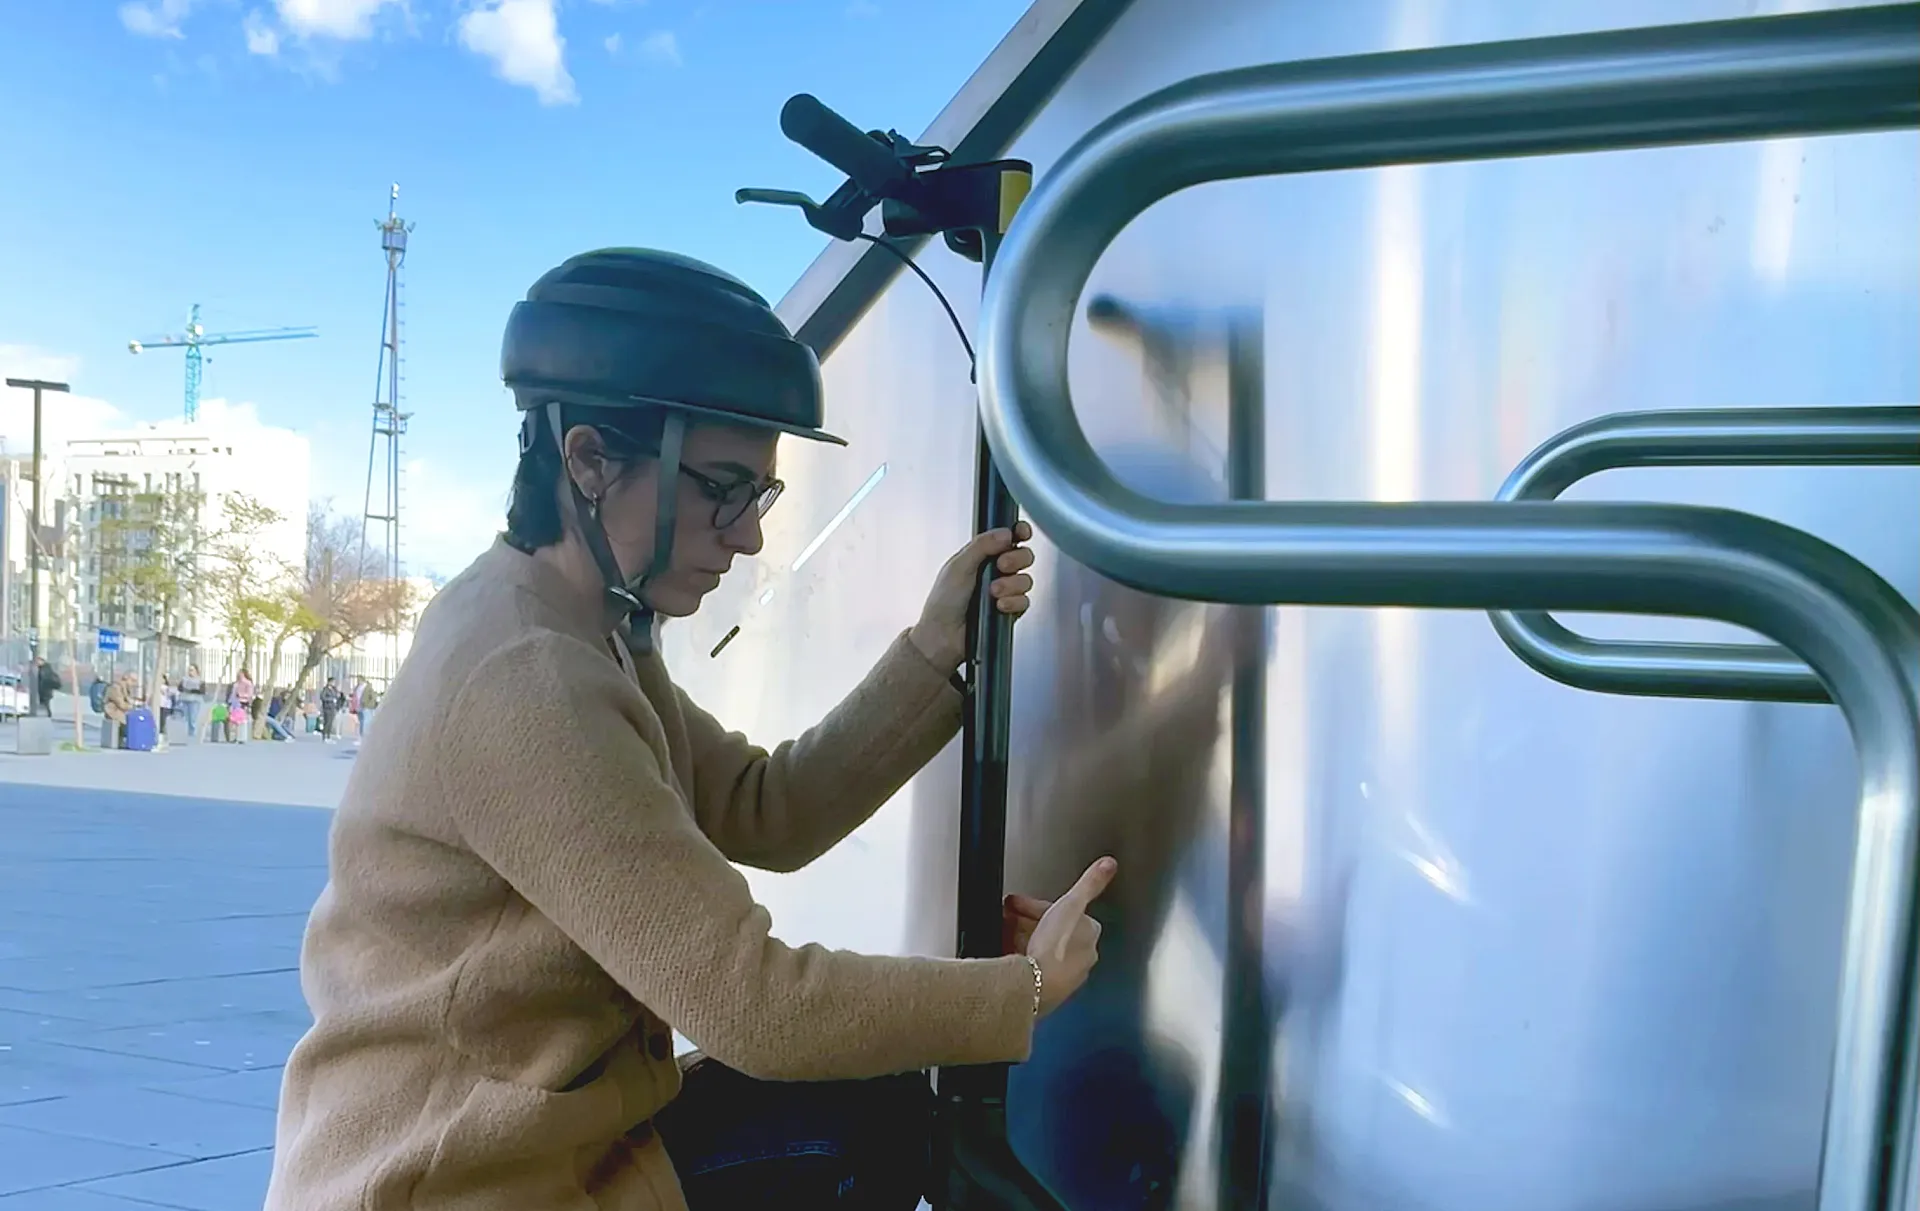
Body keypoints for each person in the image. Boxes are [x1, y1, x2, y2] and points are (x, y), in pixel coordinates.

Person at [264, 248, 1116, 1211]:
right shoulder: (526, 676)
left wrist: (933, 653)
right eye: (722, 487)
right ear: (588, 459)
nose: (747, 534)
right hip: (461, 1185)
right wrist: (1023, 994)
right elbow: (753, 1006)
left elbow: (766, 808)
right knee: (865, 1126)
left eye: (758, 494)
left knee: (866, 1106)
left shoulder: (587, 629)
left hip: (546, 1151)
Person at [178, 664, 206, 741]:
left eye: (192, 670)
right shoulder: (184, 679)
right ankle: (185, 733)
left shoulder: (200, 681)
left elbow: (202, 691)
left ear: (196, 671)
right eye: (189, 670)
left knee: (192, 718)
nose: (190, 672)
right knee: (185, 718)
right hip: (184, 700)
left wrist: (192, 690)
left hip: (195, 701)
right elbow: (180, 688)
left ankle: (192, 734)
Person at [318, 677, 343, 742]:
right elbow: (322, 697)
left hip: (333, 708)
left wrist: (338, 696)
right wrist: (331, 700)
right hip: (327, 707)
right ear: (329, 682)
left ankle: (328, 736)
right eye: (332, 682)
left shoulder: (334, 689)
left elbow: (337, 696)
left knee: (331, 722)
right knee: (327, 722)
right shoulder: (325, 689)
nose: (333, 683)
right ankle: (324, 736)